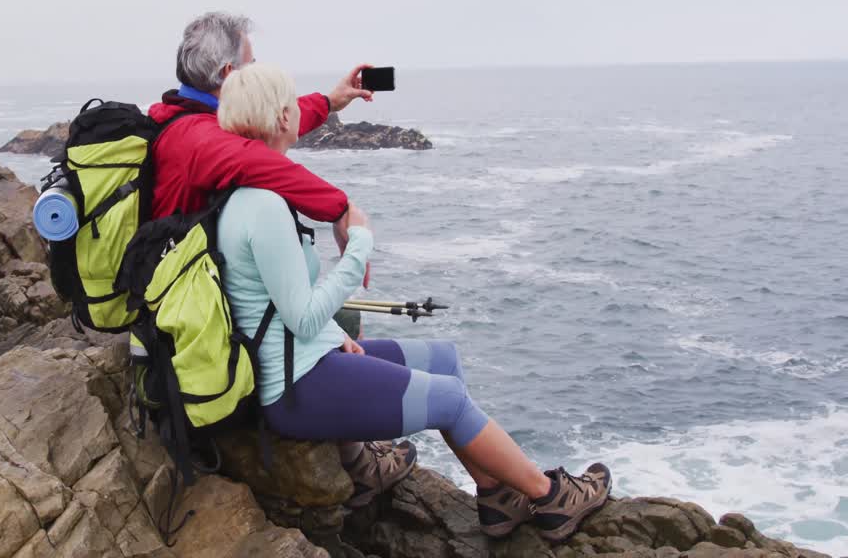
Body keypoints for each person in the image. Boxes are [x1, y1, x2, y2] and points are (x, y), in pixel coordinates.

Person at [215, 63, 613, 541]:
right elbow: (300, 316)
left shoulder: (251, 192)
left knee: (443, 360)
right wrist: (359, 244)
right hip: (297, 386)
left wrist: (337, 334)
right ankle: (550, 499)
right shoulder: (261, 206)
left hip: (308, 357)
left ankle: (496, 495)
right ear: (282, 118)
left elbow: (272, 303)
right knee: (448, 399)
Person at [147, 12, 411, 505]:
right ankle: (356, 461)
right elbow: (265, 162)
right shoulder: (201, 139)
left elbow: (269, 122)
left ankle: (352, 448)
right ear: (230, 76)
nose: (259, 66)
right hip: (194, 300)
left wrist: (331, 101)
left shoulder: (192, 120)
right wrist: (343, 209)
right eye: (252, 61)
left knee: (335, 321)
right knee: (340, 318)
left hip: (206, 277)